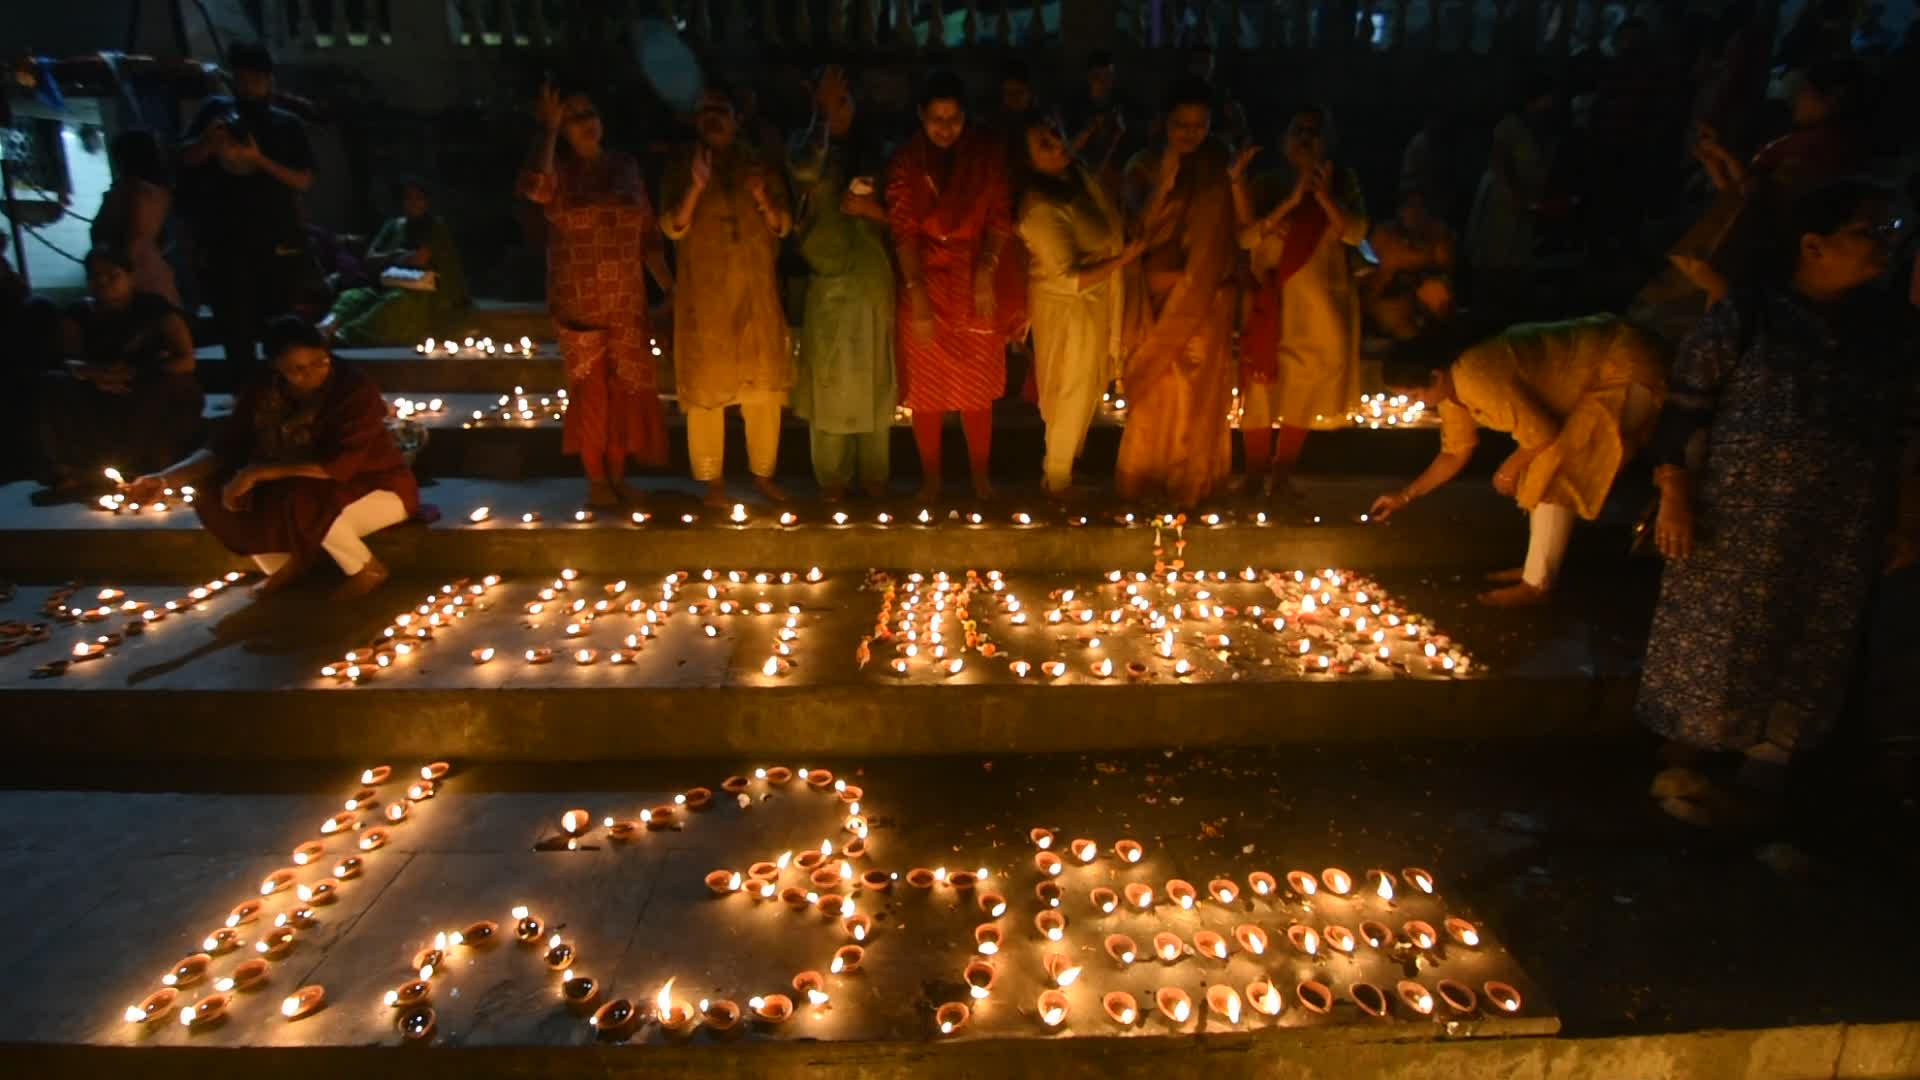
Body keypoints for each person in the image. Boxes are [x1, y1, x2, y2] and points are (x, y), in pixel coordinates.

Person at [1638, 181, 1918, 824]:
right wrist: (1675, 493)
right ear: (1814, 245)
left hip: (1844, 518)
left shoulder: (1893, 328)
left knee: (1815, 631)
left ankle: (1773, 755)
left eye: (1891, 227)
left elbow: (1910, 428)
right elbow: (1684, 412)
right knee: (1722, 630)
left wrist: (1906, 516)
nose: (1887, 243)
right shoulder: (1749, 315)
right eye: (1870, 231)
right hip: (1739, 515)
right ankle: (1691, 744)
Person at [1370, 314, 1667, 606]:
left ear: (1435, 376)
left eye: (1413, 394)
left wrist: (1509, 468)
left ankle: (1536, 584)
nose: (1414, 403)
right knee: (1543, 469)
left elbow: (1543, 433)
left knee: (1555, 470)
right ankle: (1536, 571)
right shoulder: (1451, 391)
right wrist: (1405, 496)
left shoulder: (1475, 376)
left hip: (1626, 367)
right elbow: (1454, 453)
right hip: (1603, 370)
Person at [122, 317, 417, 597]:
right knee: (216, 493)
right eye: (297, 369)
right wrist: (164, 479)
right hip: (300, 483)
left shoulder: (353, 389)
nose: (312, 374)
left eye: (319, 362)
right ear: (276, 367)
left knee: (304, 501)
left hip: (372, 484)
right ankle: (283, 565)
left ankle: (365, 569)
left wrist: (259, 473)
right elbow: (225, 446)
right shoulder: (263, 389)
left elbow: (339, 465)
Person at [518, 83, 674, 508]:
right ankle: (596, 482)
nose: (586, 125)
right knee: (591, 395)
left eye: (590, 115)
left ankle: (619, 477)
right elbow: (534, 188)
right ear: (564, 129)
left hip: (626, 301)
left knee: (625, 392)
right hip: (579, 301)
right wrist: (548, 131)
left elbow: (647, 234)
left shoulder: (625, 167)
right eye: (574, 119)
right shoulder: (560, 173)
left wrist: (671, 290)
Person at [887, 70, 1022, 499]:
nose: (945, 129)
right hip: (923, 281)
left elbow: (1002, 216)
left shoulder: (985, 156)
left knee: (976, 388)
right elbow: (904, 231)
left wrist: (987, 268)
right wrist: (919, 297)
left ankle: (980, 476)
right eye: (936, 120)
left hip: (974, 280)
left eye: (953, 119)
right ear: (920, 117)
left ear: (966, 117)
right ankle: (932, 477)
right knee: (926, 392)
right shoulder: (907, 162)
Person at [662, 85, 794, 507]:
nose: (713, 119)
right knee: (706, 393)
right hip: (707, 300)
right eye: (706, 112)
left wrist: (760, 197)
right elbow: (671, 226)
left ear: (737, 119)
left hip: (755, 294)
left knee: (763, 394)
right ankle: (712, 481)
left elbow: (783, 226)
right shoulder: (682, 167)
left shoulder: (759, 167)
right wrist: (696, 187)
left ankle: (763, 476)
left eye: (722, 110)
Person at [1113, 78, 1238, 507]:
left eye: (1199, 125)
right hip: (1157, 302)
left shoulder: (1217, 166)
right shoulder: (1143, 166)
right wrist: (1163, 184)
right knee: (1156, 397)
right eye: (1181, 124)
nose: (1189, 133)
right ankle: (1143, 486)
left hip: (1204, 302)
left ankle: (1192, 488)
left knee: (1197, 400)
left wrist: (1235, 183)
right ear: (1164, 123)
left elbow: (1230, 235)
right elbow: (1134, 234)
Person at [1233, 105, 1368, 499]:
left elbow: (1355, 232)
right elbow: (1245, 239)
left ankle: (1282, 475)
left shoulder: (1343, 182)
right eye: (1298, 130)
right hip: (1269, 300)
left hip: (1319, 305)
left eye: (1314, 131)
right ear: (1284, 140)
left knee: (1304, 388)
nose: (1306, 139)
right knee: (1259, 387)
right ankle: (1254, 475)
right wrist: (1290, 202)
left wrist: (1324, 197)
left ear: (1328, 140)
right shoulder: (1268, 184)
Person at [1018, 117, 1145, 497]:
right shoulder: (1037, 207)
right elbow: (1068, 277)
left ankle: (1068, 468)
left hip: (1096, 301)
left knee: (1088, 387)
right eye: (1044, 144)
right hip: (1068, 309)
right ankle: (1056, 477)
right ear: (1028, 161)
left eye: (1057, 135)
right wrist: (1125, 259)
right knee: (1070, 390)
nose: (1057, 146)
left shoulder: (1074, 178)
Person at [788, 66, 896, 502]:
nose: (838, 113)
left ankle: (875, 476)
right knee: (830, 383)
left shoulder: (880, 153)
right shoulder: (805, 147)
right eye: (829, 104)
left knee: (875, 380)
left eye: (844, 103)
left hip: (872, 279)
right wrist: (821, 118)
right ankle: (832, 478)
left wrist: (874, 213)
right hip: (830, 279)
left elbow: (904, 218)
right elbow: (805, 171)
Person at [178, 41, 315, 369]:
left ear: (268, 79)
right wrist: (209, 143)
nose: (246, 85)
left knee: (279, 321)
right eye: (239, 78)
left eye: (253, 78)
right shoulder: (214, 112)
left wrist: (259, 160)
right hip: (225, 238)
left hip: (275, 236)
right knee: (233, 322)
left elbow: (304, 179)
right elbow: (184, 158)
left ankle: (282, 387)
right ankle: (244, 394)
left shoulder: (286, 124)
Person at [32, 247, 201, 503]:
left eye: (112, 276)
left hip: (148, 381)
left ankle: (153, 469)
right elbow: (69, 359)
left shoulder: (155, 309)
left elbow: (186, 360)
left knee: (175, 388)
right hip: (96, 384)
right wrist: (95, 374)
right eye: (95, 277)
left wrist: (135, 373)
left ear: (129, 277)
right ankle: (80, 473)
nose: (103, 283)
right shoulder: (78, 314)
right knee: (54, 385)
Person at [319, 179, 471, 347]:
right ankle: (325, 328)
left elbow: (450, 270)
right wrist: (398, 257)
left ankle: (345, 336)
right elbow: (370, 258)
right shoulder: (394, 225)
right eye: (408, 198)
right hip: (387, 283)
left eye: (418, 198)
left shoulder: (436, 228)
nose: (413, 203)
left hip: (421, 294)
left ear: (427, 201)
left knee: (395, 302)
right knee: (353, 297)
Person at [1466, 74, 1556, 310]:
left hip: (1527, 201)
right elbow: (1500, 163)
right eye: (1547, 98)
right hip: (1503, 199)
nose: (1551, 103)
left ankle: (1510, 306)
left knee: (1518, 256)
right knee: (1494, 252)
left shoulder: (1542, 129)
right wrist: (1514, 194)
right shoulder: (1509, 125)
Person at [91, 130, 178, 306]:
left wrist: (117, 277)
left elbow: (136, 240)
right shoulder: (144, 190)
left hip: (136, 277)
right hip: (132, 274)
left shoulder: (138, 192)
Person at [1364, 190, 1457, 341]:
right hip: (1386, 319)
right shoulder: (1381, 237)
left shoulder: (1438, 238)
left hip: (1424, 323)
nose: (1416, 212)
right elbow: (1367, 290)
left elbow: (1445, 287)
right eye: (1411, 206)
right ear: (1400, 211)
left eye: (1421, 207)